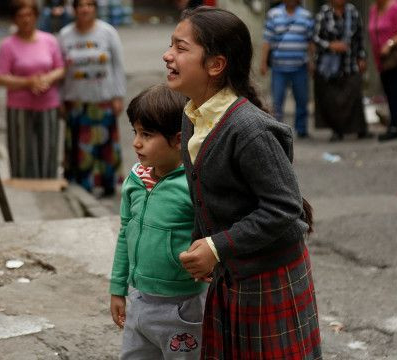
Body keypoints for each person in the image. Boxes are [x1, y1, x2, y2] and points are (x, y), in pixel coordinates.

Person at [164, 7, 321, 359]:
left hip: (269, 276)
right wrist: (200, 242)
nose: (167, 55)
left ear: (215, 65)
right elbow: (210, 196)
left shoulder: (248, 130)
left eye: (181, 47)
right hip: (234, 274)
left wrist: (217, 247)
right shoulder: (193, 116)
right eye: (170, 46)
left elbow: (284, 207)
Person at [109, 84, 207, 359]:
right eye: (136, 132)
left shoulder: (194, 184)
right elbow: (125, 233)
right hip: (138, 299)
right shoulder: (136, 178)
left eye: (147, 135)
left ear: (178, 140)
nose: (136, 142)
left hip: (183, 307)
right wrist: (118, 288)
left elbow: (214, 236)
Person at [58, 0, 126, 196]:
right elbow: (60, 70)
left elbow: (118, 66)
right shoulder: (64, 35)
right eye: (80, 5)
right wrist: (60, 99)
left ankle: (107, 184)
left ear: (95, 8)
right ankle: (82, 186)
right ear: (74, 9)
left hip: (103, 101)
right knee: (80, 148)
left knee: (105, 145)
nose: (85, 9)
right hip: (76, 102)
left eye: (89, 4)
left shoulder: (108, 32)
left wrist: (118, 95)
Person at [0, 0, 65, 178]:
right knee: (21, 153)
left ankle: (48, 188)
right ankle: (25, 190)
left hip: (48, 104)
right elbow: (0, 77)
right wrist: (28, 82)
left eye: (29, 15)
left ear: (36, 16)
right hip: (19, 106)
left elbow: (61, 68)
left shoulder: (49, 40)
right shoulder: (8, 45)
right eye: (20, 16)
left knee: (48, 151)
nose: (26, 20)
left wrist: (45, 79)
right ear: (14, 19)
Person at [313, 0, 370, 142]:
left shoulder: (353, 12)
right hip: (330, 67)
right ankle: (336, 130)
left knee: (354, 94)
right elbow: (315, 38)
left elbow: (359, 38)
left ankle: (358, 129)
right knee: (332, 100)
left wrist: (362, 57)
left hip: (349, 64)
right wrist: (331, 45)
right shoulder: (324, 13)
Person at [260, 0, 314, 138]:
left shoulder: (306, 16)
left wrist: (311, 62)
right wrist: (263, 62)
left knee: (302, 100)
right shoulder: (273, 14)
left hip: (300, 67)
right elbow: (267, 41)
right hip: (279, 67)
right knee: (277, 102)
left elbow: (310, 42)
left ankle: (301, 130)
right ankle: (277, 131)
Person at [368, 0, 397, 141]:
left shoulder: (395, 8)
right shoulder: (374, 10)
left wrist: (390, 44)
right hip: (382, 61)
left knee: (395, 90)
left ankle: (394, 126)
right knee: (388, 91)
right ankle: (393, 123)